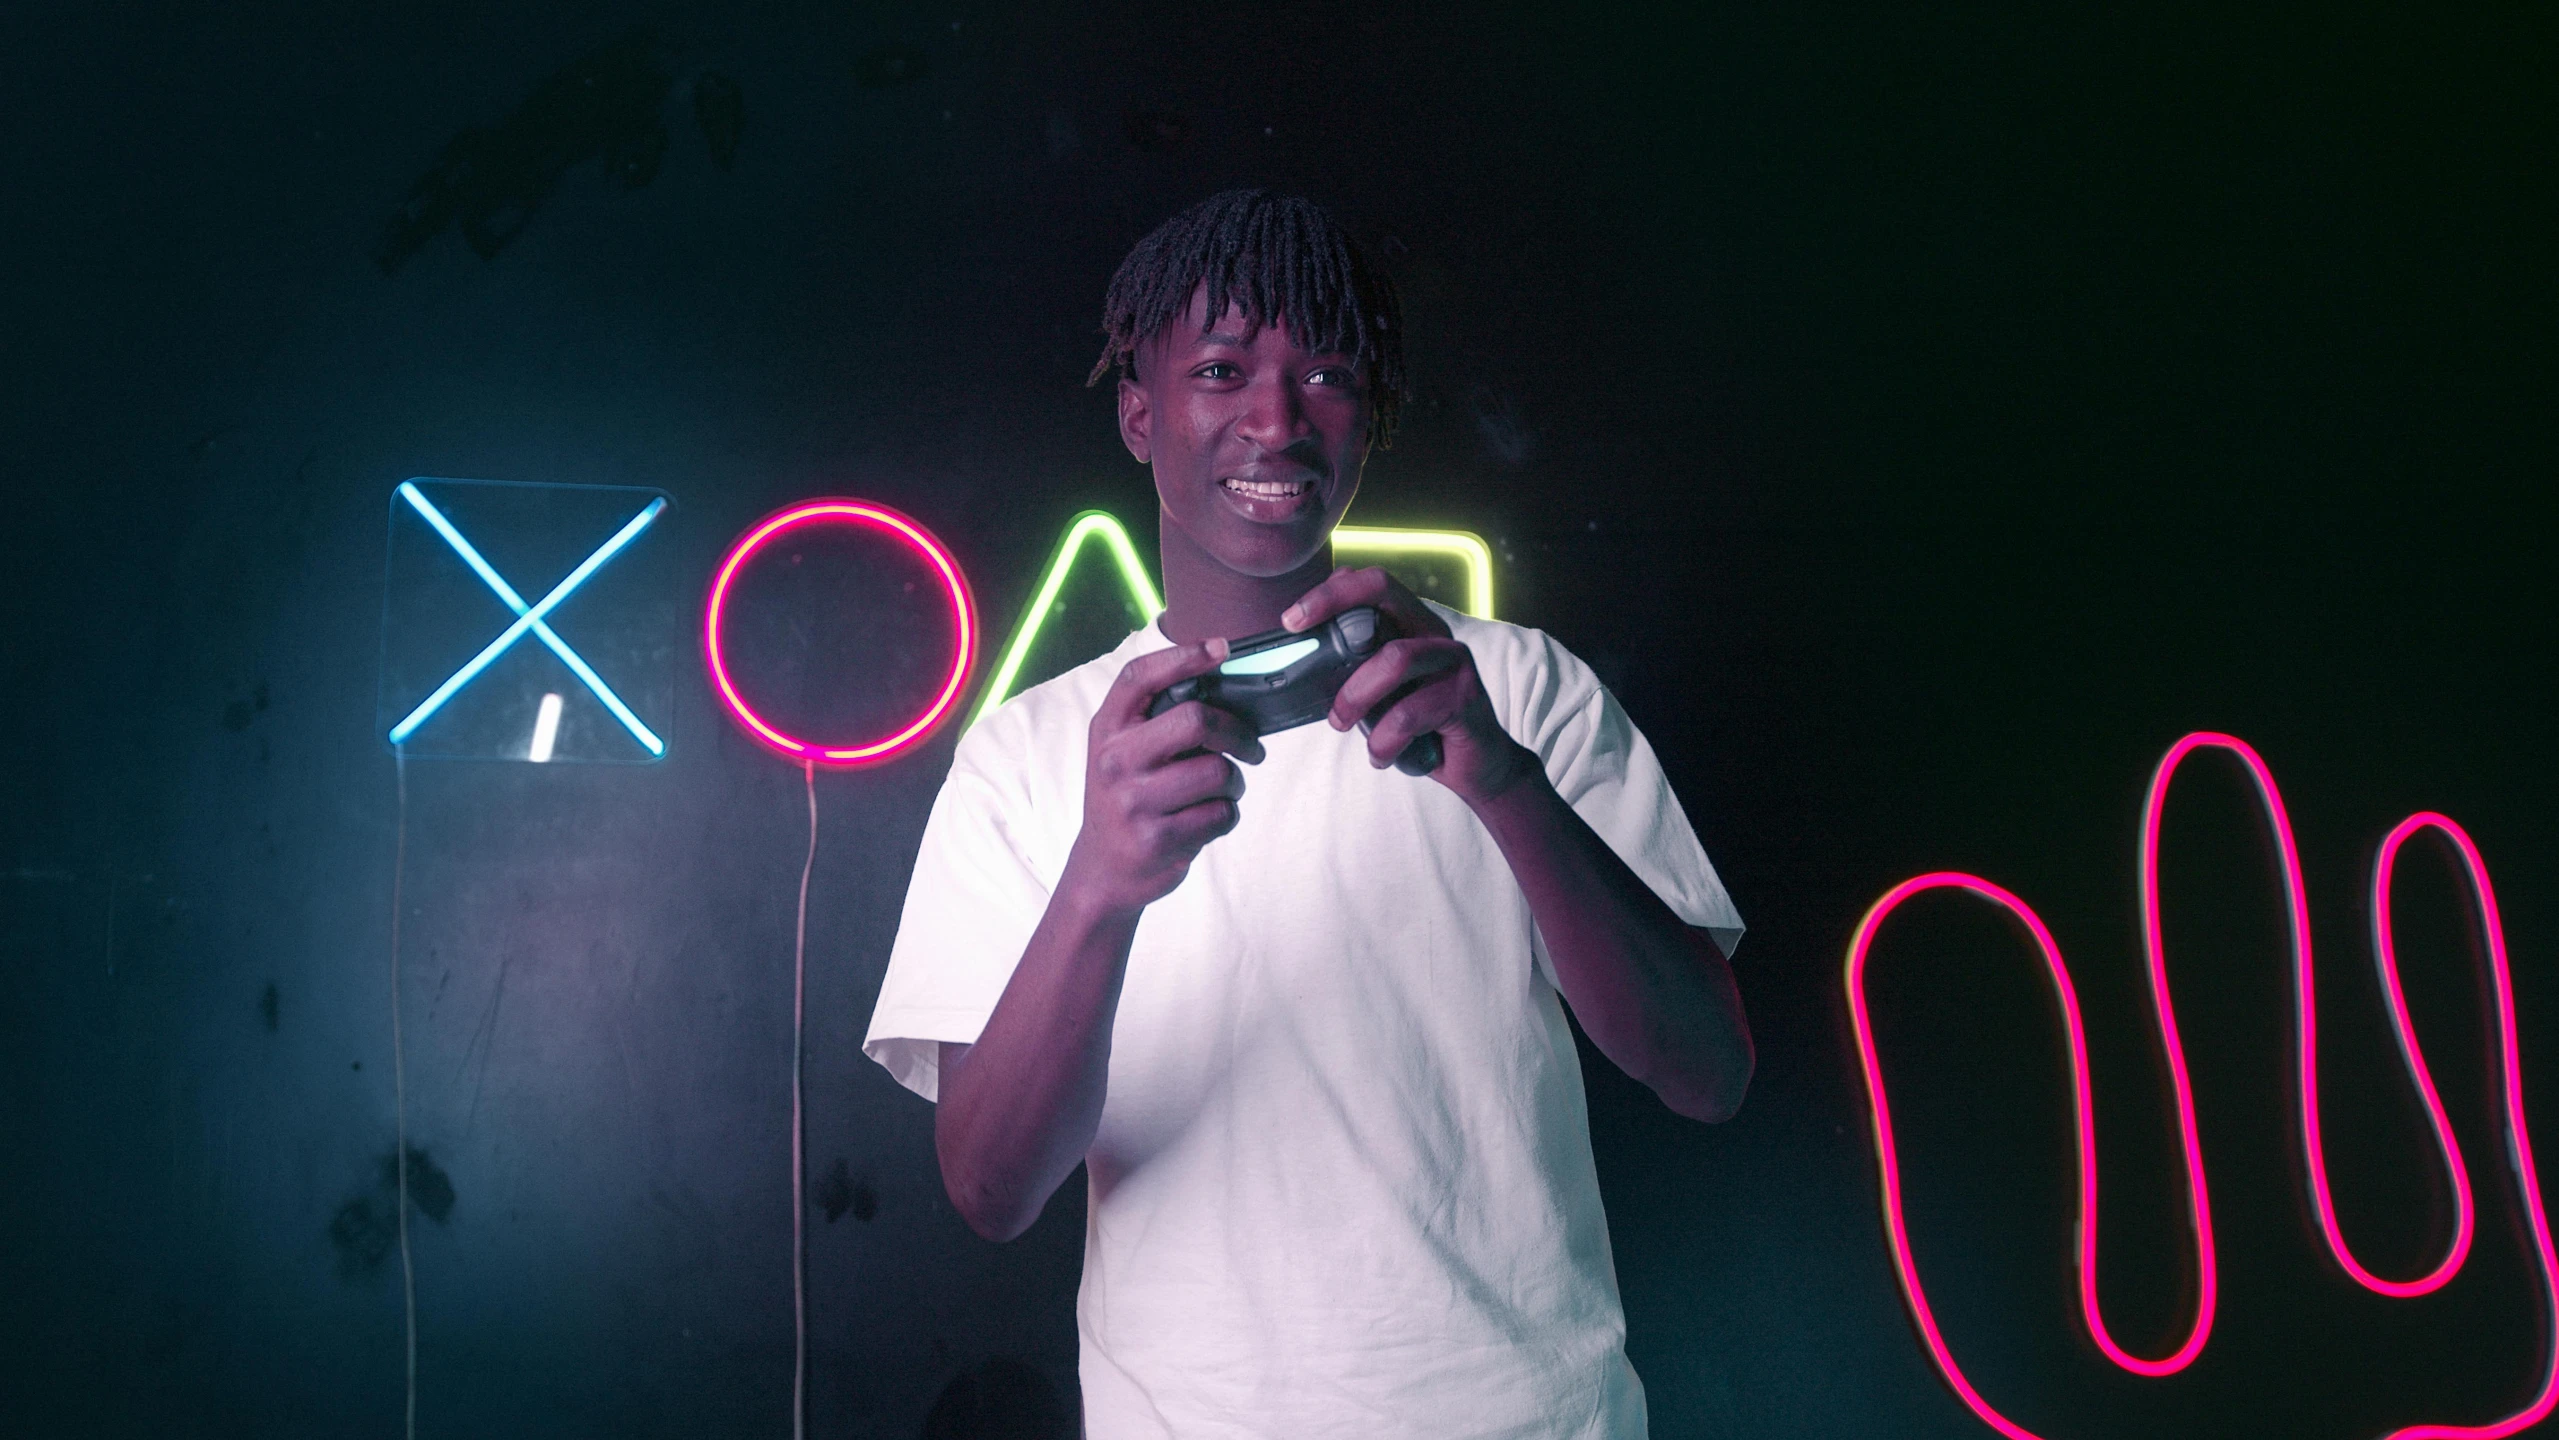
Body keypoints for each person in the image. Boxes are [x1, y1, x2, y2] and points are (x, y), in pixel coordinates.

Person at [863, 188, 1751, 1439]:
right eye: (1221, 369)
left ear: (1370, 425)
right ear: (1138, 411)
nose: (1276, 420)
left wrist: (1503, 782)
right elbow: (992, 1190)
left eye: (1327, 374)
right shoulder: (1027, 755)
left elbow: (1709, 1073)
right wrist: (1099, 887)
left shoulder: (1522, 687)